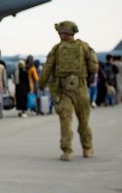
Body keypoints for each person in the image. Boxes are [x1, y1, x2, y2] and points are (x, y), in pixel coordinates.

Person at [38, 21, 98, 161]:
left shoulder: (57, 49)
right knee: (84, 121)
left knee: (65, 121)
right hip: (80, 88)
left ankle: (67, 151)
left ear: (63, 33)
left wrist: (41, 85)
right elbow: (94, 68)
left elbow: (47, 69)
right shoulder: (84, 47)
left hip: (62, 89)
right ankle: (87, 148)